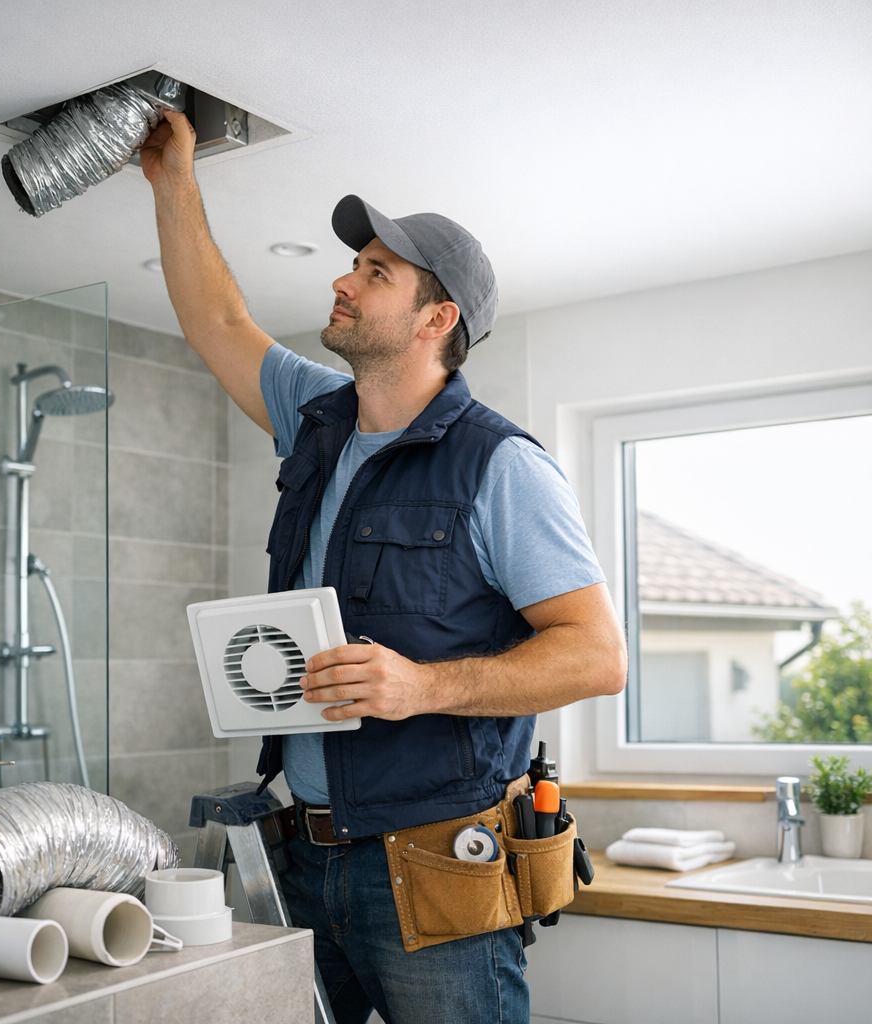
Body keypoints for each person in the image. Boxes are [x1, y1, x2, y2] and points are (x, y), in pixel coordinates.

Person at [141, 111, 627, 1024]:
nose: (343, 280)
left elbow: (597, 656)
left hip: (436, 870)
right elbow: (215, 319)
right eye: (353, 264)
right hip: (302, 854)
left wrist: (419, 686)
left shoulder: (500, 466)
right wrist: (174, 180)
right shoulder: (319, 415)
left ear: (436, 319)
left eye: (375, 273)